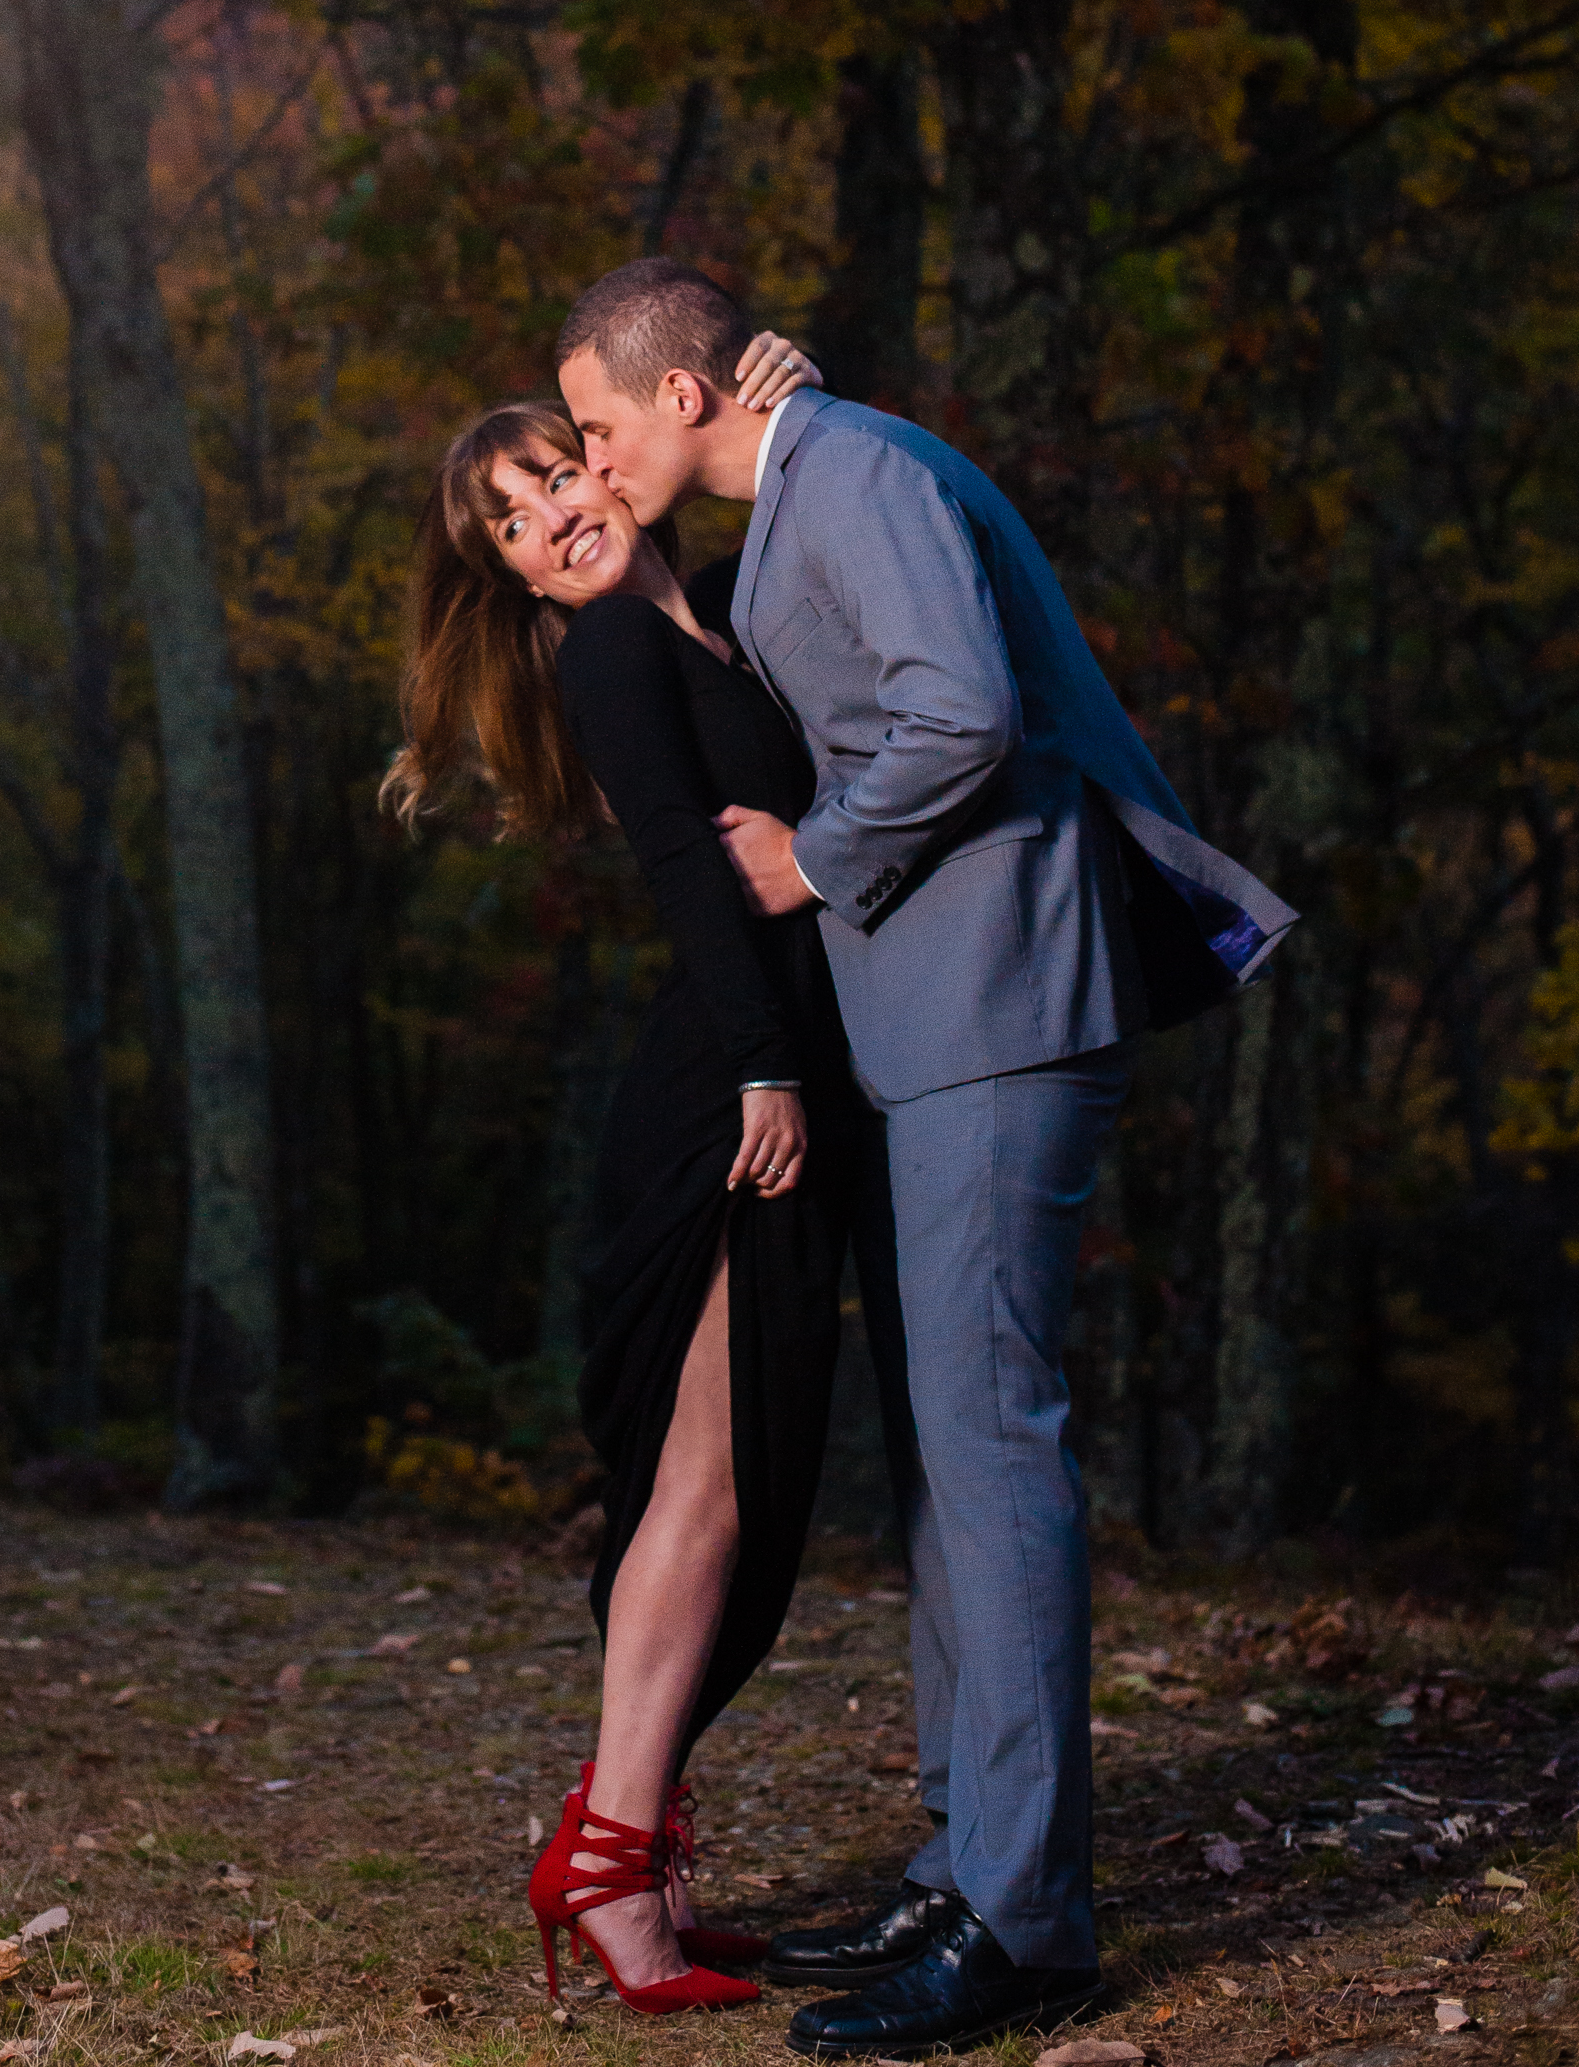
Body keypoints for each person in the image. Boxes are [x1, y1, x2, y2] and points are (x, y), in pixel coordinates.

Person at [554, 260, 1298, 2063]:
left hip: (995, 1012)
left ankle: (1027, 1923)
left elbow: (959, 709)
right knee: (955, 1471)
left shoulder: (858, 471)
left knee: (991, 1452)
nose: (586, 460)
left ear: (686, 391)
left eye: (594, 422)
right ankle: (973, 1862)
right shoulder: (818, 475)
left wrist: (816, 855)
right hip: (936, 1031)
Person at [383, 337, 865, 2021]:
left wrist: (803, 386)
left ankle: (621, 1846)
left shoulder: (716, 610)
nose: (543, 521)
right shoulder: (607, 659)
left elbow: (783, 485)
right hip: (732, 1094)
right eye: (503, 526)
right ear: (511, 576)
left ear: (607, 461)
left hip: (778, 1074)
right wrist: (765, 1068)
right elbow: (684, 871)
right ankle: (610, 1864)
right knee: (706, 1487)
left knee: (738, 1478)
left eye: (547, 475)